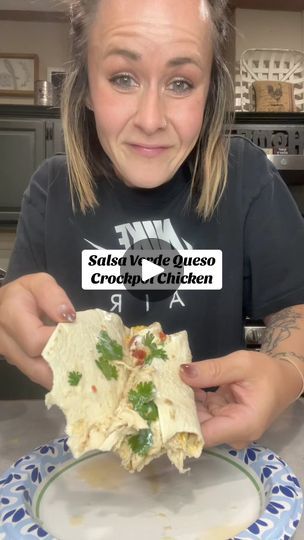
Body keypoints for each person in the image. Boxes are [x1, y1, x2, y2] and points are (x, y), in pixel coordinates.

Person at [1, 0, 304, 451]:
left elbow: (295, 310)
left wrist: (288, 371)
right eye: (123, 78)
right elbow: (21, 315)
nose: (150, 120)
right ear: (84, 87)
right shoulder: (50, 189)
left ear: (210, 94)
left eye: (181, 83)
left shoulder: (248, 178)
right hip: (89, 464)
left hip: (212, 462)